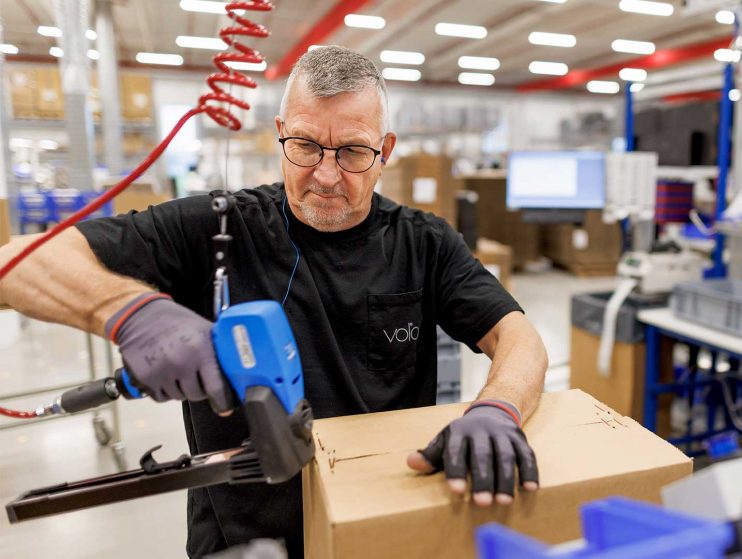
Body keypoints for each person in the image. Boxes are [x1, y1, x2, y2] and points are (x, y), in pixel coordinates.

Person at [0, 46, 548, 558]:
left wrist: (498, 406)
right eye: (307, 146)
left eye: (353, 151)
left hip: (384, 522)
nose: (327, 175)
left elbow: (517, 337)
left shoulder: (424, 243)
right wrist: (128, 312)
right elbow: (17, 264)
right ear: (281, 135)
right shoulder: (213, 229)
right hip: (244, 537)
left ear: (385, 151)